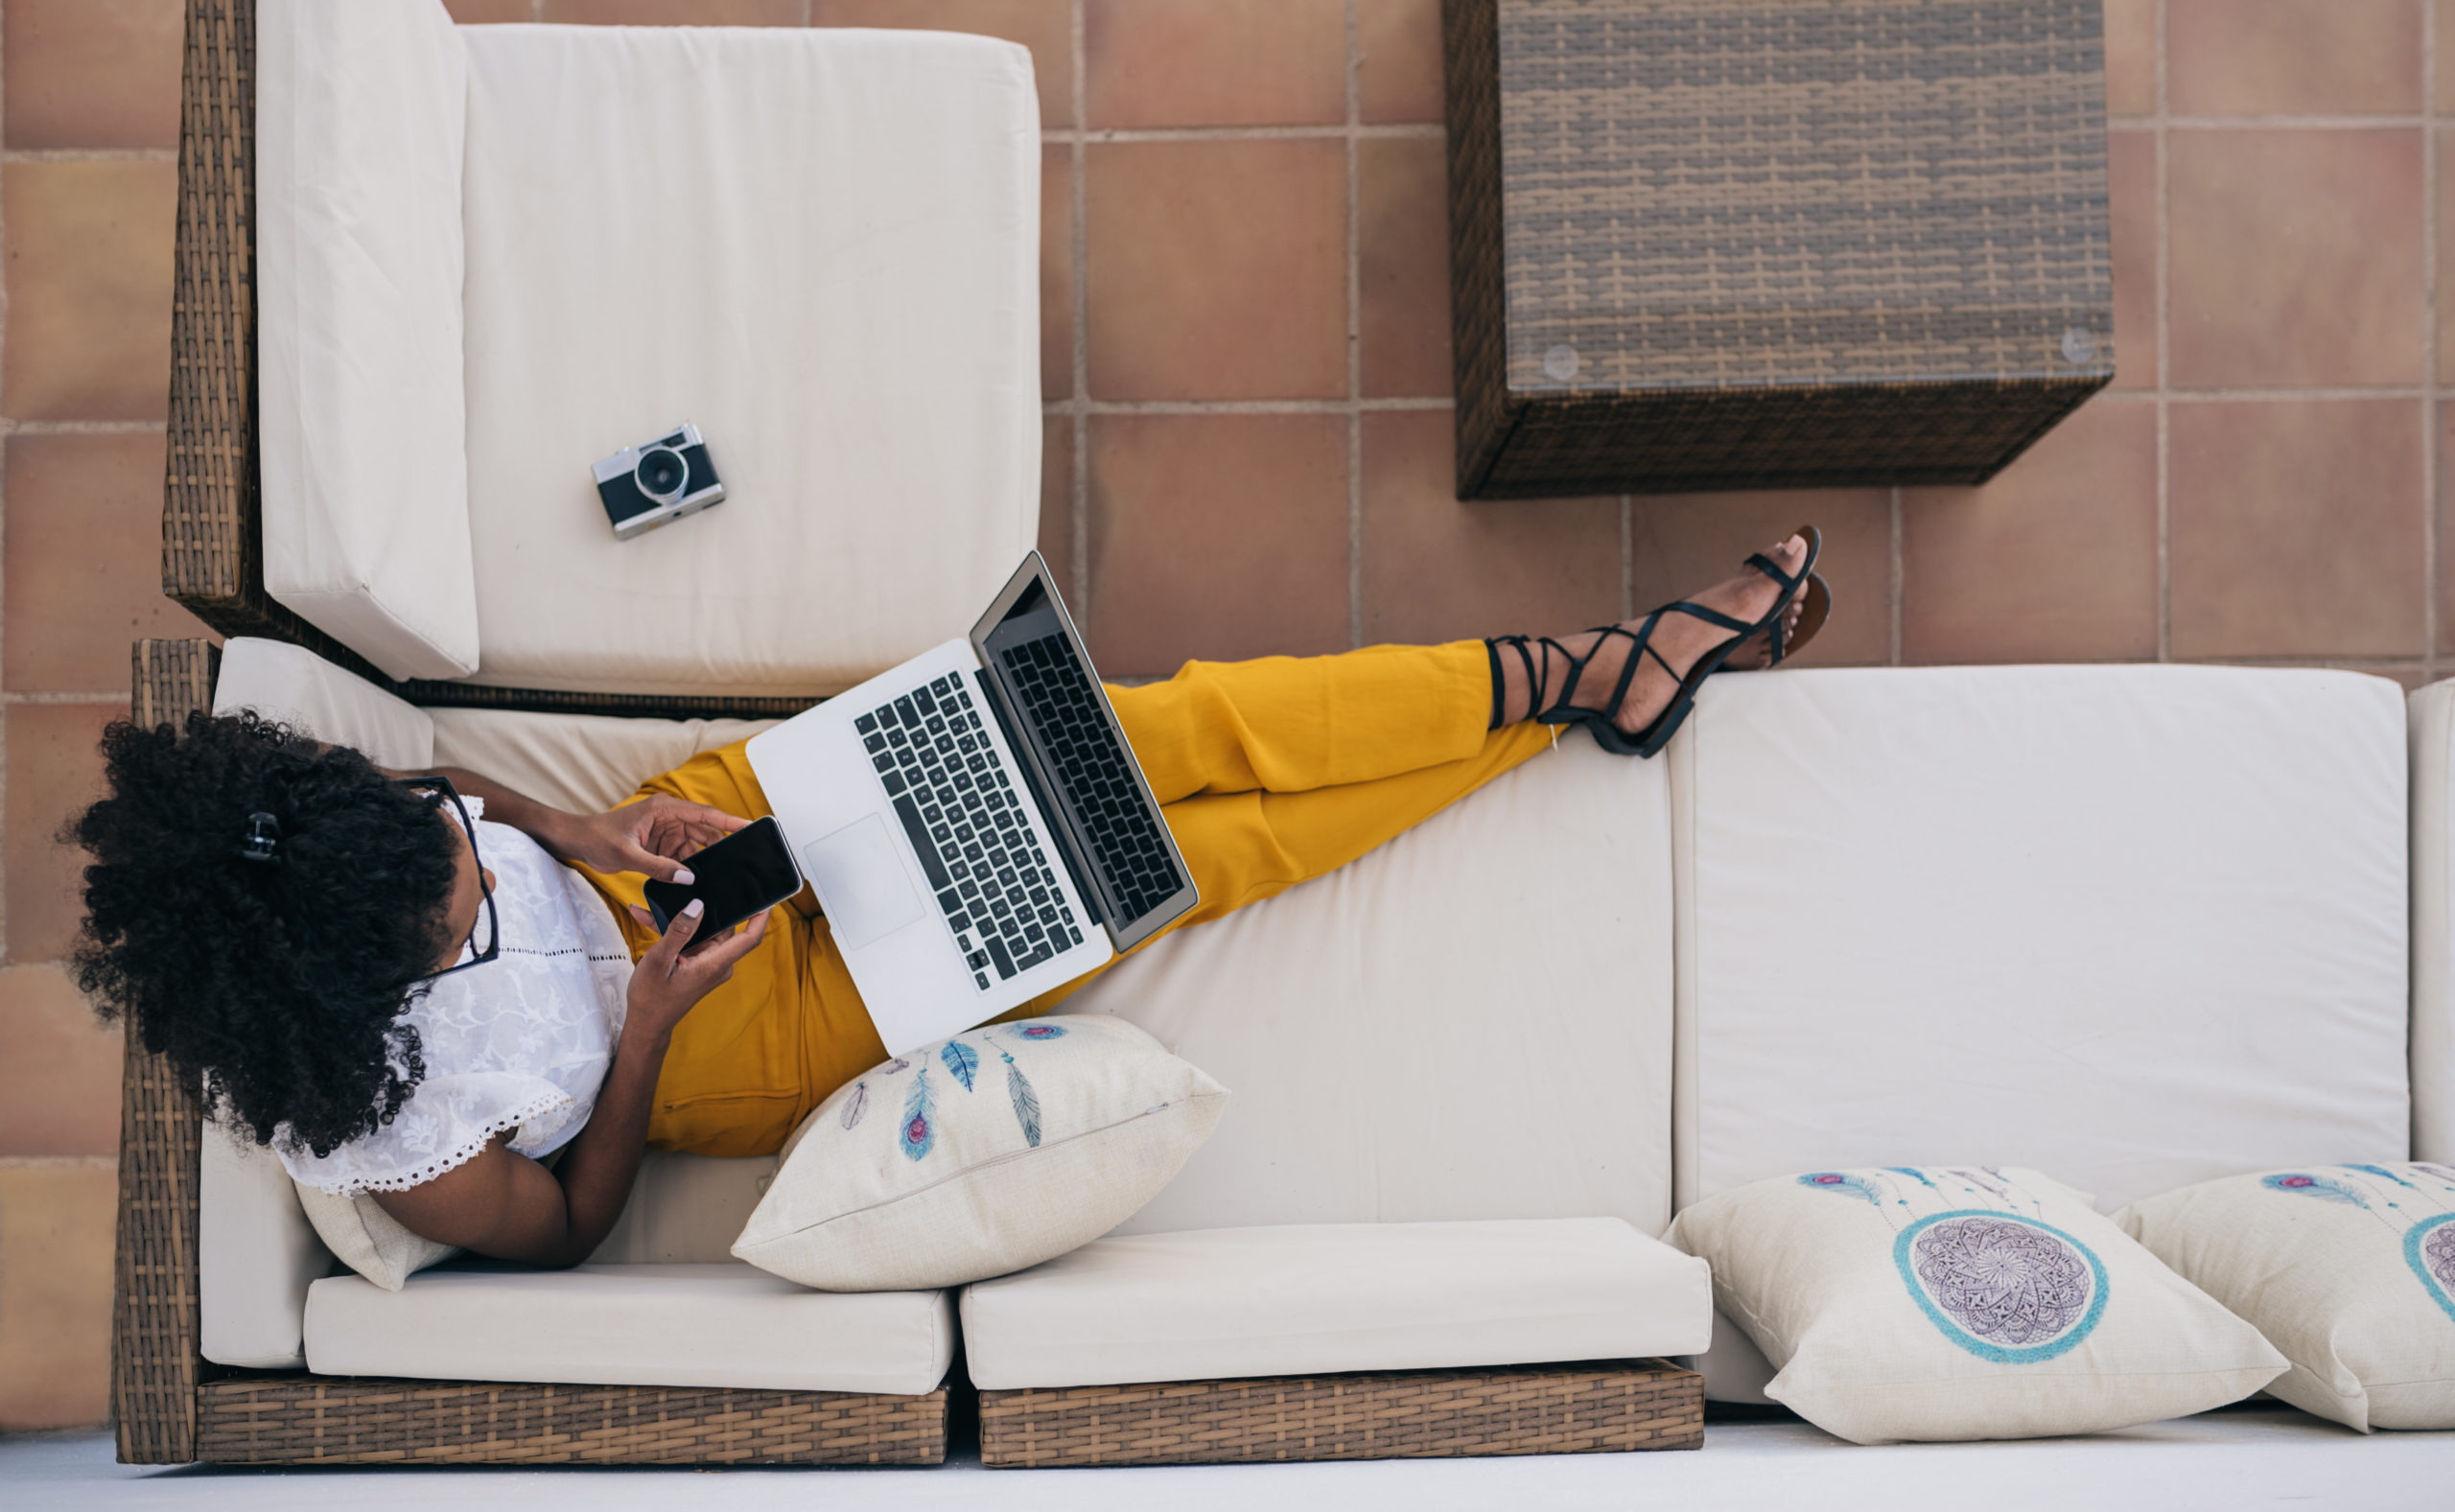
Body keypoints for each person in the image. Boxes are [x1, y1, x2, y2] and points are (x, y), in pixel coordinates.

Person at [70, 533, 1824, 1265]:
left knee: (1164, 726)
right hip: (717, 1040)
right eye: (460, 918)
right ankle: (1599, 691)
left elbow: (451, 795)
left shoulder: (313, 827)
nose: (474, 878)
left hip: (709, 834)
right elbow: (576, 1219)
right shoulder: (377, 1126)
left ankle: (1581, 664)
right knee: (1171, 859)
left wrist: (589, 838)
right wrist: (651, 1035)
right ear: (361, 992)